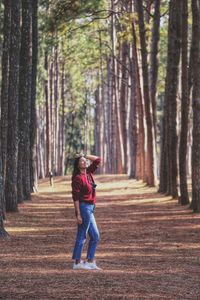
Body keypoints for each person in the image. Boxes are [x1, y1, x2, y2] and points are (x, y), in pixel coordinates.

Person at [71, 153, 101, 270]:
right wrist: (78, 214)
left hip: (90, 208)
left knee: (95, 236)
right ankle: (77, 262)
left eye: (85, 161)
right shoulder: (78, 178)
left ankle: (89, 261)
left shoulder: (88, 173)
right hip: (84, 208)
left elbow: (98, 160)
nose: (85, 162)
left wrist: (85, 155)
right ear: (78, 165)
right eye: (82, 161)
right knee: (82, 235)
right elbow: (76, 198)